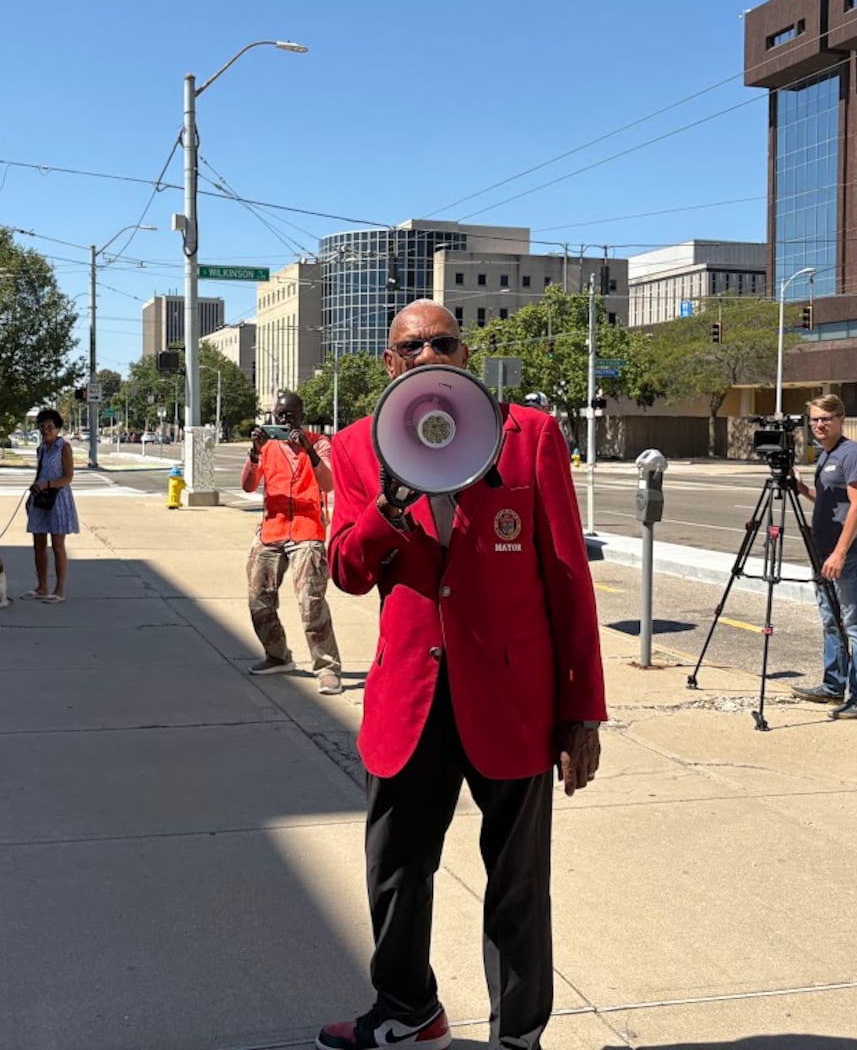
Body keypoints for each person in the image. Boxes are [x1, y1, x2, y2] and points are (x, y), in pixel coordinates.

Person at [319, 300, 606, 1050]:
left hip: (513, 697)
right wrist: (391, 501)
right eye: (411, 348)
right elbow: (347, 570)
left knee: (517, 881)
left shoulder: (530, 436)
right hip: (410, 694)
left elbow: (568, 577)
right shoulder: (355, 449)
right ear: (389, 364)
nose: (427, 357)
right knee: (395, 868)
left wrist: (582, 708)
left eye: (442, 343)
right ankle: (408, 1009)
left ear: (465, 353)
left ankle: (518, 1035)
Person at [240, 389, 343, 695]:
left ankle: (327, 667)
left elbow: (329, 483)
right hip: (272, 530)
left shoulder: (321, 443)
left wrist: (308, 450)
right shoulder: (267, 446)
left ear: (302, 416)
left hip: (306, 531)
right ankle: (278, 655)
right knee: (258, 597)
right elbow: (247, 486)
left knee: (311, 601)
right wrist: (254, 452)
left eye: (290, 415)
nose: (284, 420)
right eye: (279, 415)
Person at [791, 393, 857, 719]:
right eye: (814, 419)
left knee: (855, 625)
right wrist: (801, 489)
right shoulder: (825, 455)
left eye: (825, 419)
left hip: (846, 551)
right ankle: (832, 685)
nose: (818, 425)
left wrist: (840, 553)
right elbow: (831, 502)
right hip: (822, 550)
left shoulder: (851, 454)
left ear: (841, 418)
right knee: (831, 621)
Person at [22, 408, 77, 604]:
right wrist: (33, 493)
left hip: (58, 498)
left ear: (58, 428)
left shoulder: (64, 447)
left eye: (50, 427)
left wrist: (48, 484)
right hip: (40, 498)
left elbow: (68, 477)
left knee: (58, 545)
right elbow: (39, 473)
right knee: (38, 544)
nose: (46, 431)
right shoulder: (41, 448)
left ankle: (59, 590)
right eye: (43, 427)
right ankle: (42, 586)